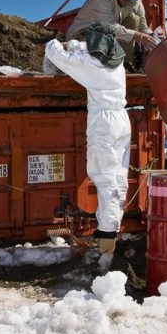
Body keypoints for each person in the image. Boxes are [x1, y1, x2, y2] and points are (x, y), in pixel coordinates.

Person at [44, 22, 131, 255]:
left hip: (104, 124)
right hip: (122, 120)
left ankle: (107, 239)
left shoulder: (91, 67)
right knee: (118, 178)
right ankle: (112, 230)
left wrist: (54, 42)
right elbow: (86, 52)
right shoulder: (116, 61)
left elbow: (56, 54)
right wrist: (76, 45)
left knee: (104, 179)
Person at [65, 0, 159, 69]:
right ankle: (102, 64)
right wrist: (138, 36)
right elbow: (109, 28)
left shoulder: (136, 1)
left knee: (134, 19)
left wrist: (153, 38)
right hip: (82, 36)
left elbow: (143, 27)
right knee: (106, 31)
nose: (126, 2)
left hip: (107, 35)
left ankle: (125, 64)